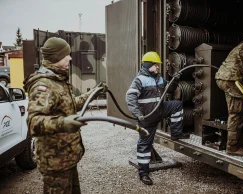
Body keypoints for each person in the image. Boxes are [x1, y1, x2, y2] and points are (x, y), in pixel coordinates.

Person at [24, 37, 106, 194]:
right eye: (65, 55)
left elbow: (69, 104)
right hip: (55, 163)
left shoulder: (57, 80)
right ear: (55, 58)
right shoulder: (44, 85)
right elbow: (34, 122)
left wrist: (93, 93)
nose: (69, 58)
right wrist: (63, 123)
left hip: (66, 159)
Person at [125, 51, 190, 185]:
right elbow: (130, 97)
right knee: (144, 145)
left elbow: (169, 90)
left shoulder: (159, 78)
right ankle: (143, 174)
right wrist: (138, 114)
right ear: (148, 65)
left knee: (177, 105)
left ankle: (176, 133)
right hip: (147, 118)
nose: (158, 67)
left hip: (159, 111)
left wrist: (175, 79)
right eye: (156, 65)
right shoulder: (139, 80)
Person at [215, 34, 243, 156]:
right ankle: (232, 148)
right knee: (236, 114)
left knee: (235, 112)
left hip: (225, 77)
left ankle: (233, 144)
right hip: (232, 80)